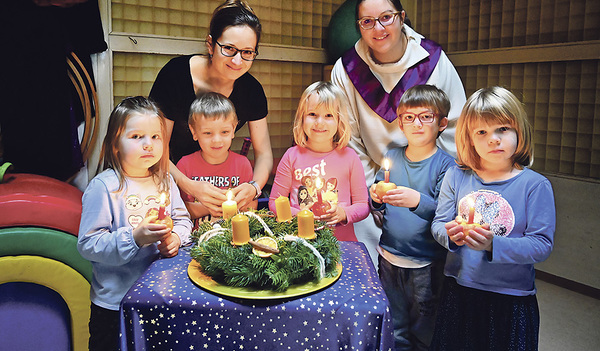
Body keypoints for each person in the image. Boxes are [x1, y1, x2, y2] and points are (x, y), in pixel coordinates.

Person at [330, 0, 467, 265]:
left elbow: (453, 130)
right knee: (366, 257)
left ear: (402, 17)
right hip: (373, 181)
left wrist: (439, 189)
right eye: (367, 21)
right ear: (358, 26)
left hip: (430, 177)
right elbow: (351, 139)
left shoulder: (433, 62)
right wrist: (371, 193)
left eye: (386, 17)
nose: (378, 28)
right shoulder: (345, 69)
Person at [430, 87, 555, 350]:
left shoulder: (535, 185)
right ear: (469, 138)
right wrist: (450, 236)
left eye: (503, 129)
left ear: (519, 131)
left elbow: (541, 244)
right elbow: (439, 223)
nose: (493, 139)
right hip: (459, 289)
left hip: (510, 298)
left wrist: (492, 244)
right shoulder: (456, 175)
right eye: (482, 132)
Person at [77, 97, 192, 351]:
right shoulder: (104, 187)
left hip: (159, 298)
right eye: (137, 136)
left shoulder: (166, 182)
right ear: (115, 144)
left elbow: (184, 221)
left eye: (155, 137)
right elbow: (88, 244)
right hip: (114, 304)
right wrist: (135, 237)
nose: (148, 145)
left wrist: (175, 239)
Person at [149, 0, 272, 216]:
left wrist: (254, 187)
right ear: (210, 44)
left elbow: (263, 153)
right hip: (167, 176)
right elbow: (155, 147)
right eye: (229, 49)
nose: (237, 60)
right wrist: (188, 185)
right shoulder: (174, 76)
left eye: (247, 52)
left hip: (214, 181)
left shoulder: (252, 90)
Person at [369, 85, 455, 350]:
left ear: (442, 123)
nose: (416, 123)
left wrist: (417, 201)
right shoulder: (392, 156)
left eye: (425, 116)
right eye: (409, 117)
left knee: (424, 326)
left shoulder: (446, 165)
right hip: (389, 258)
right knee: (394, 323)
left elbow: (445, 213)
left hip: (425, 264)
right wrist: (375, 197)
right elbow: (377, 203)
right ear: (401, 124)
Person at [268, 81, 369, 241]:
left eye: (328, 116)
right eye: (312, 114)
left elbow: (363, 205)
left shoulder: (350, 158)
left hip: (341, 243)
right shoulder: (291, 156)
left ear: (339, 120)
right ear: (302, 117)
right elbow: (274, 202)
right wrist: (299, 215)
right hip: (300, 243)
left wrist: (343, 213)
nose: (319, 122)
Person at [176, 92, 255, 220]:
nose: (217, 140)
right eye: (208, 133)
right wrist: (212, 207)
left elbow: (251, 206)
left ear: (233, 129)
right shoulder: (184, 165)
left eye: (224, 132)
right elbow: (178, 210)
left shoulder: (242, 164)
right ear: (194, 132)